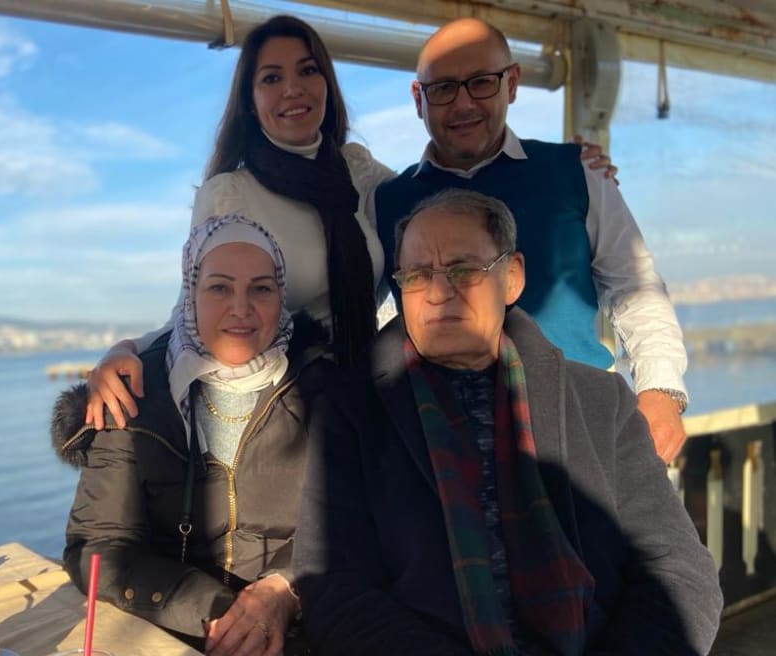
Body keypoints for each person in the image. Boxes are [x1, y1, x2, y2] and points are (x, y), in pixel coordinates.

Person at [81, 14, 615, 431]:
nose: (293, 88)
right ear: (251, 99)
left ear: (327, 84)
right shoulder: (230, 193)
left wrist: (569, 162)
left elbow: (448, 188)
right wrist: (124, 350)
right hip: (279, 411)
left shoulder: (358, 173)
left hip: (369, 393)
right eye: (272, 77)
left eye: (308, 70)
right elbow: (196, 308)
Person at [293, 189, 722, 656]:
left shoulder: (600, 402)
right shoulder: (352, 411)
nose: (438, 292)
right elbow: (334, 585)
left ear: (512, 277)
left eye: (463, 269)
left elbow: (677, 568)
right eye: (417, 275)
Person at [374, 17, 689, 462]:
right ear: (418, 99)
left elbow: (635, 286)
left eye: (481, 82)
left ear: (513, 83)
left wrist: (660, 389)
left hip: (580, 429)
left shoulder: (576, 173)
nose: (463, 103)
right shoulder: (386, 200)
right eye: (444, 88)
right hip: (442, 445)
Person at [53, 215, 333, 656]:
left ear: (281, 296)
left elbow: (353, 522)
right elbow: (99, 546)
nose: (240, 308)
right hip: (171, 634)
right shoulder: (133, 398)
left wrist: (284, 589)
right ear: (191, 294)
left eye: (261, 288)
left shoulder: (325, 390)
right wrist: (218, 612)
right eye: (219, 287)